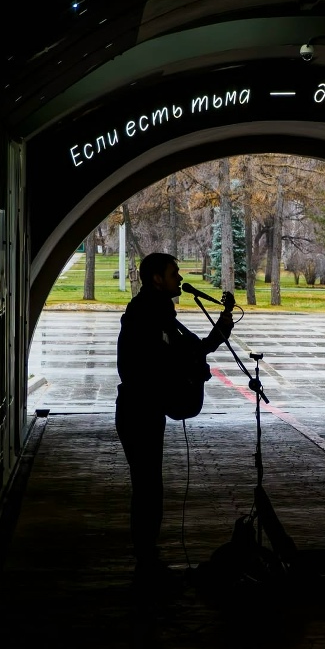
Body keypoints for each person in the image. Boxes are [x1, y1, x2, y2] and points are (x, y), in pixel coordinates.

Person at [115, 252, 233, 589]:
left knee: (150, 488)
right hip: (139, 412)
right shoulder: (146, 314)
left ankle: (148, 559)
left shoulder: (159, 313)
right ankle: (146, 562)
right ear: (156, 279)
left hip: (145, 411)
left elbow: (189, 352)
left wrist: (221, 327)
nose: (179, 278)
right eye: (173, 273)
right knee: (147, 489)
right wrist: (192, 367)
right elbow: (161, 361)